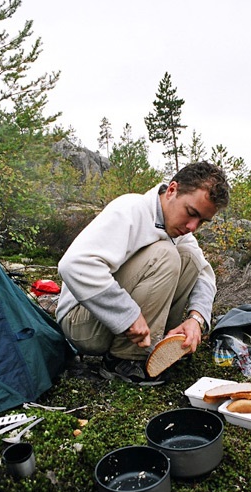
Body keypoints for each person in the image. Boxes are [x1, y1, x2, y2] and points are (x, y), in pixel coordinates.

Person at [56, 161, 230, 385]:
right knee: (165, 254)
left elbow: (205, 275)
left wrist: (196, 319)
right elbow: (73, 265)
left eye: (202, 221)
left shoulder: (178, 230)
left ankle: (159, 350)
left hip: (120, 325)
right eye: (191, 213)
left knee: (191, 258)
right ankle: (122, 361)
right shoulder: (131, 209)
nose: (192, 227)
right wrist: (126, 314)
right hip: (82, 324)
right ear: (172, 190)